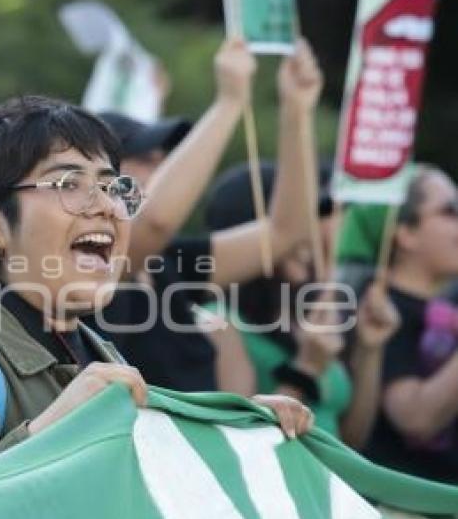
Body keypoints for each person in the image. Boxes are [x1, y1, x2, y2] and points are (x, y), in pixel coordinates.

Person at [0, 95, 314, 491]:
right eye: (68, 184)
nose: (105, 206)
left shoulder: (98, 356)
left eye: (110, 185)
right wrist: (52, 433)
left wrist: (241, 435)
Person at [88, 38, 324, 393]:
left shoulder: (174, 263)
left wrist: (297, 110)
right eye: (146, 159)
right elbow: (155, 221)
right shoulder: (92, 262)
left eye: (167, 160)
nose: (166, 170)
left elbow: (285, 232)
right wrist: (231, 101)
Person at [202, 163, 400, 448]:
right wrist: (305, 370)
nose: (308, 237)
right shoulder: (219, 322)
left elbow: (351, 440)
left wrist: (370, 348)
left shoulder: (306, 316)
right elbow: (241, 446)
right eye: (292, 226)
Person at [362, 165, 458, 483]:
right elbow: (414, 417)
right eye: (450, 211)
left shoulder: (446, 310)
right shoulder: (377, 308)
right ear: (406, 233)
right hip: (399, 513)